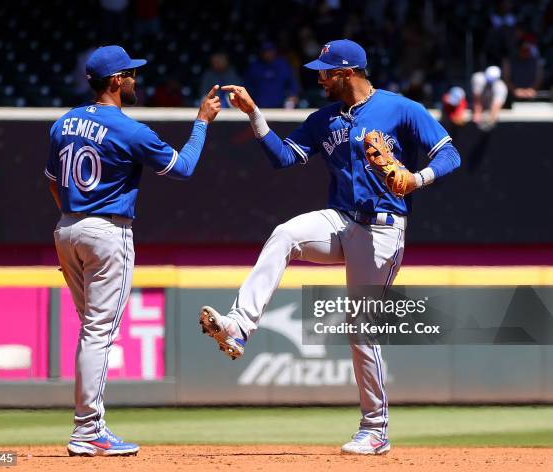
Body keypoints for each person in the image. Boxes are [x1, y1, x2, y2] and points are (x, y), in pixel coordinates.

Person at [199, 39, 460, 455]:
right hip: (341, 221)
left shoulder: (401, 108)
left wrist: (415, 179)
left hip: (383, 230)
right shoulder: (324, 119)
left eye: (324, 71)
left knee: (360, 328)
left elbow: (449, 155)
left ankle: (375, 430)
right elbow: (285, 157)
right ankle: (239, 326)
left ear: (347, 73)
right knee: (285, 233)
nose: (317, 78)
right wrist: (254, 115)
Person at [45, 45, 220, 457]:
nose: (135, 80)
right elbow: (184, 167)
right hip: (107, 232)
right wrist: (201, 123)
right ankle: (88, 430)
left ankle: (90, 426)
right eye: (131, 74)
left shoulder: (63, 123)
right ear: (116, 81)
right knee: (99, 333)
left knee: (91, 330)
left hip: (67, 227)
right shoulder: (128, 130)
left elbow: (53, 181)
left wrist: (76, 222)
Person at [243, 41, 299, 108]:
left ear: (274, 51)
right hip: (259, 106)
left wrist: (292, 95)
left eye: (270, 51)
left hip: (280, 105)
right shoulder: (254, 67)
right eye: (265, 51)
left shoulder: (282, 64)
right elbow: (247, 86)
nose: (268, 54)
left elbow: (292, 83)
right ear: (261, 52)